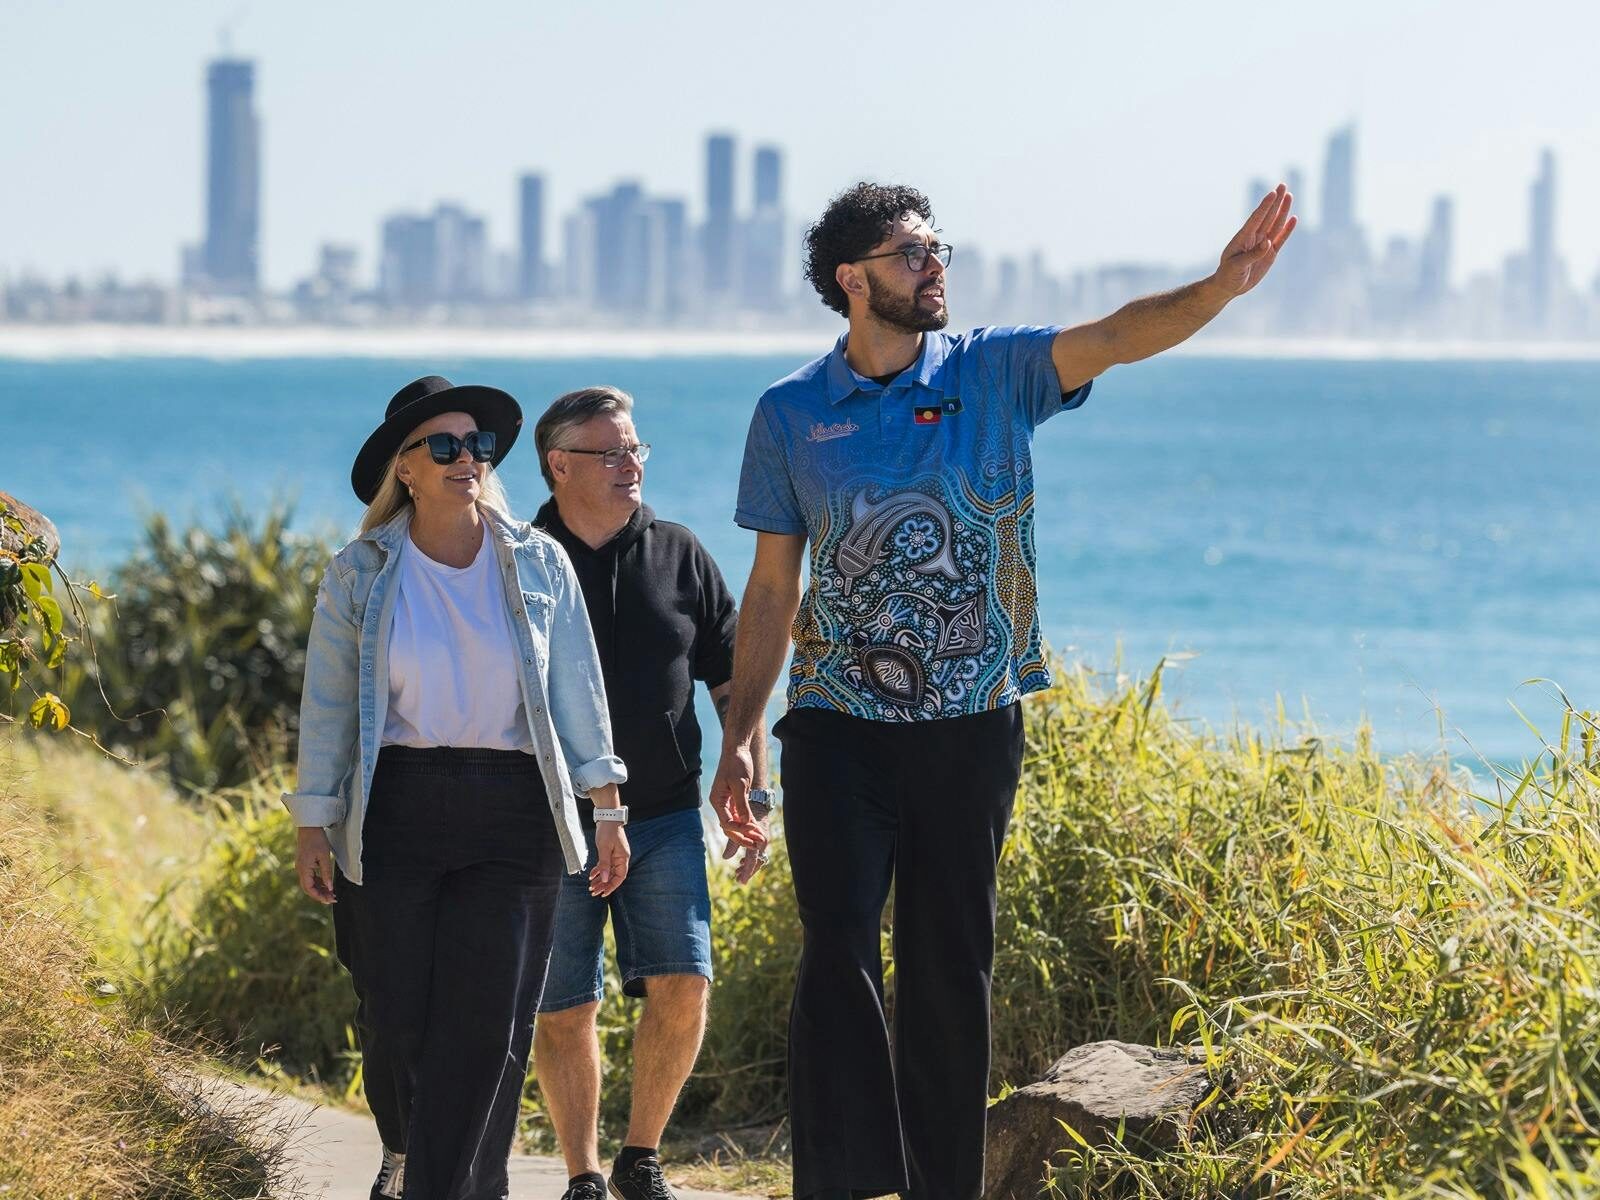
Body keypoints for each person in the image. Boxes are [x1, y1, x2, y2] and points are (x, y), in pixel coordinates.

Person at [710, 181, 1296, 1200]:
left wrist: (1219, 288)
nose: (933, 266)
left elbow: (1114, 334)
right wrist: (739, 730)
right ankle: (842, 1182)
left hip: (970, 726)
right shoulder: (791, 412)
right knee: (837, 945)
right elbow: (771, 585)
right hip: (836, 723)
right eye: (909, 254)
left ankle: (943, 1187)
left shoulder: (993, 370)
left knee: (949, 968)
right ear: (852, 281)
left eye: (937, 249)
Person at [285, 374, 631, 1200]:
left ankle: (448, 1190)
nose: (465, 458)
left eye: (476, 444)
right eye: (443, 446)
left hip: (516, 814)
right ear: (404, 467)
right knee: (399, 1021)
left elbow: (580, 695)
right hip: (395, 805)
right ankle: (416, 1160)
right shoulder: (360, 572)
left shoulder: (539, 562)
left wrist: (608, 807)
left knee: (484, 1032)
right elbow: (328, 707)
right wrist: (313, 821)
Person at [527, 386, 771, 1200]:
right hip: (550, 821)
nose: (631, 464)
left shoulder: (679, 551)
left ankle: (641, 1156)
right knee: (564, 1006)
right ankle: (583, 1174)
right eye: (611, 452)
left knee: (684, 980)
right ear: (559, 465)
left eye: (636, 449)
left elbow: (733, 679)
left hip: (665, 813)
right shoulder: (520, 558)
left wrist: (751, 785)